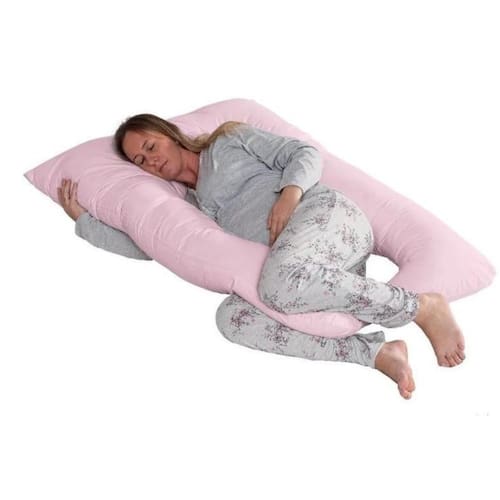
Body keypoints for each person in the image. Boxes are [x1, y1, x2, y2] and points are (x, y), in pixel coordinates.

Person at [57, 114, 466, 399]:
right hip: (304, 270)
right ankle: (375, 353)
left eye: (150, 146)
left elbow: (304, 153)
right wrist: (85, 223)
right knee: (232, 318)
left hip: (326, 216)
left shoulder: (227, 141)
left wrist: (290, 194)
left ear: (171, 134)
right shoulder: (191, 207)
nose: (151, 160)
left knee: (277, 284)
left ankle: (418, 306)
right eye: (140, 161)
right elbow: (151, 246)